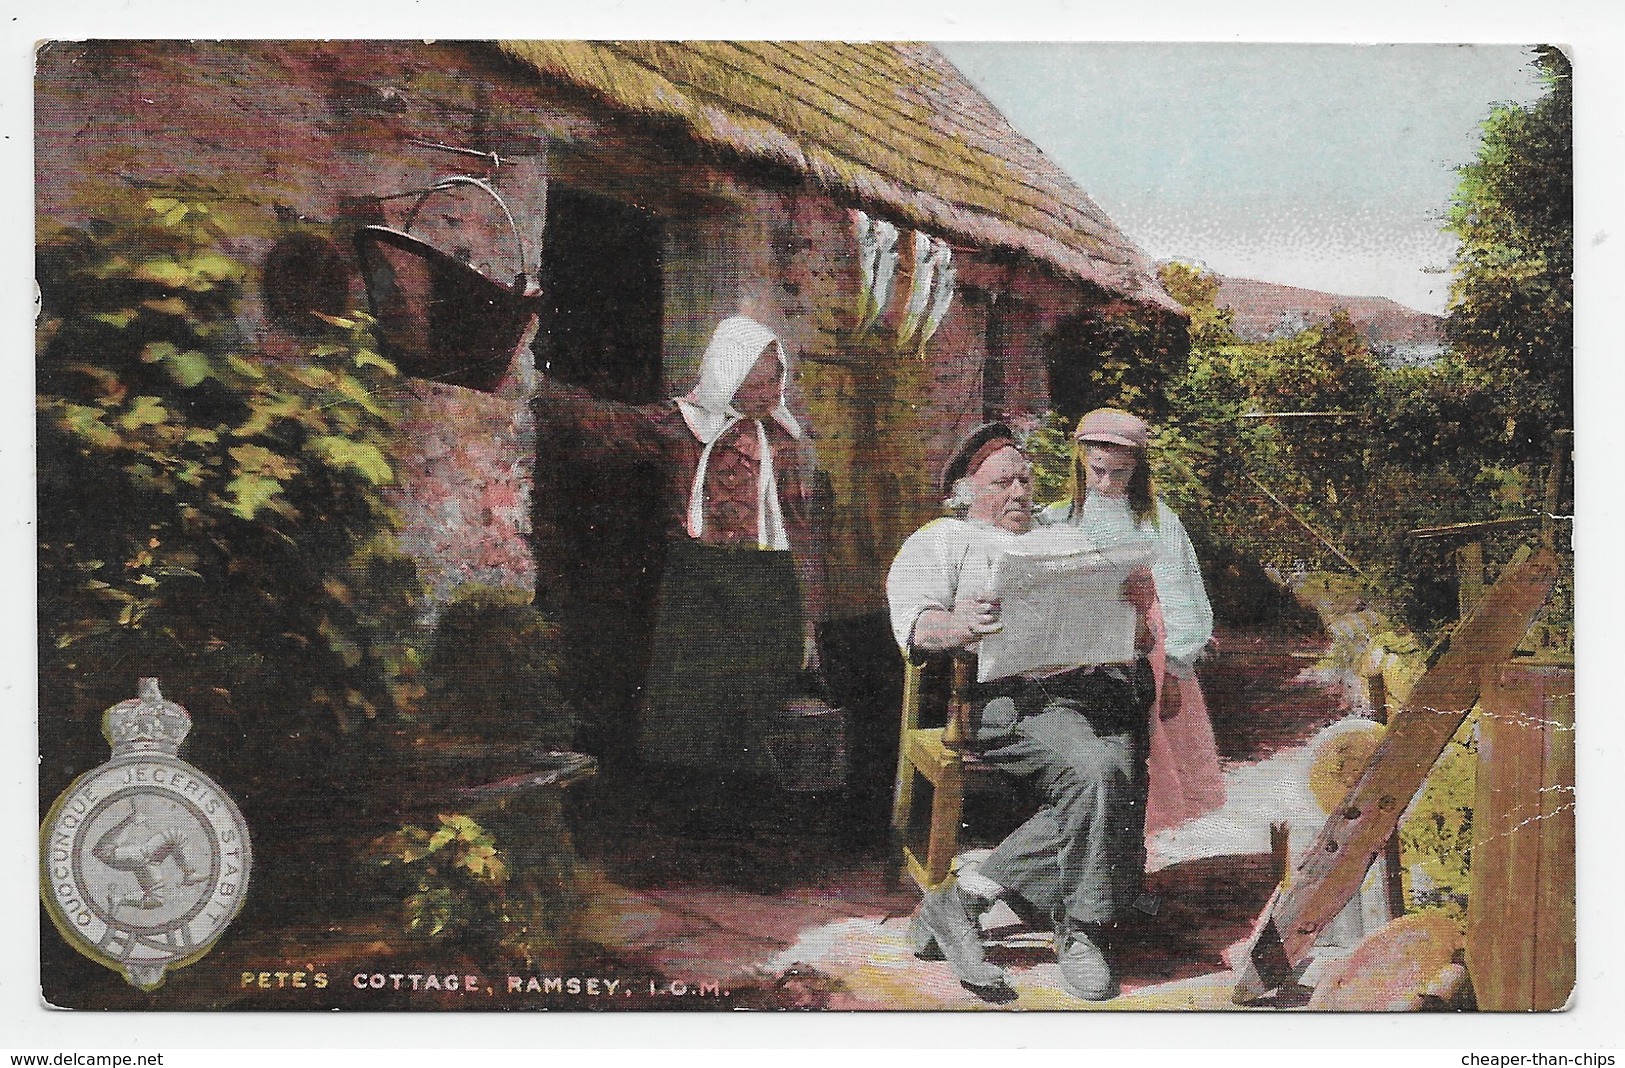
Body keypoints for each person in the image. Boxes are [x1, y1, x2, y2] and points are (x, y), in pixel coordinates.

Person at [885, 421, 1160, 1002]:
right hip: (1000, 700)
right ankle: (1083, 930)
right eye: (1002, 482)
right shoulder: (941, 540)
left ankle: (965, 896)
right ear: (964, 492)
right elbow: (915, 620)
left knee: (1120, 774)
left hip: (1083, 690)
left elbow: (1114, 619)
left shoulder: (1060, 533)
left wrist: (1128, 610)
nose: (1018, 493)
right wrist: (958, 625)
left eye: (1025, 480)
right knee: (1102, 775)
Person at [534, 313, 826, 783]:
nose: (774, 393)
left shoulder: (781, 440)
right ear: (730, 378)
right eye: (762, 382)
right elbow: (607, 426)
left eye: (777, 380)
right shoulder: (681, 426)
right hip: (699, 579)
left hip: (766, 581)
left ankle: (752, 801)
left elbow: (797, 525)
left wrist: (806, 613)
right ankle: (693, 803)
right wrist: (539, 389)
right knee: (695, 696)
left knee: (757, 699)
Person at [1038, 409, 1224, 842]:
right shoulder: (1059, 519)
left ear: (1137, 470)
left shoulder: (1156, 520)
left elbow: (1181, 592)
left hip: (1147, 654)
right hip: (1082, 656)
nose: (1105, 483)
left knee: (1148, 763)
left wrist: (1175, 668)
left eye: (1119, 474)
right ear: (1081, 462)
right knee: (1096, 761)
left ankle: (1134, 866)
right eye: (1097, 471)